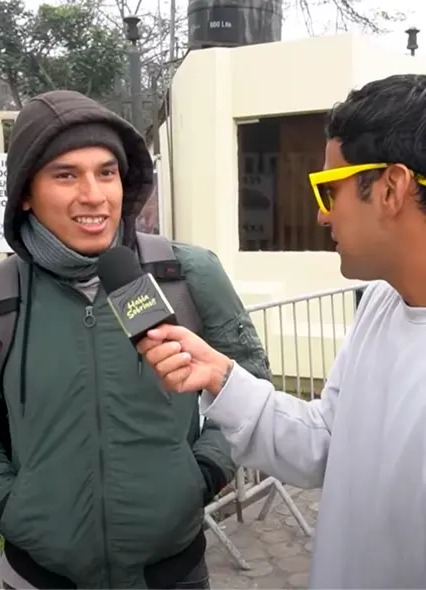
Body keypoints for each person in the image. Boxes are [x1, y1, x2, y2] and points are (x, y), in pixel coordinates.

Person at [0, 90, 272, 589]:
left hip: (172, 573)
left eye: (106, 172)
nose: (93, 195)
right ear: (25, 192)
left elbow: (249, 383)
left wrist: (201, 475)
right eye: (66, 175)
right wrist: (11, 507)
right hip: (39, 575)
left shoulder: (188, 274)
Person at [137, 73, 426, 589]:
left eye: (327, 189)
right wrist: (220, 376)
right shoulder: (381, 301)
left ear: (390, 188)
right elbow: (328, 443)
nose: (319, 214)